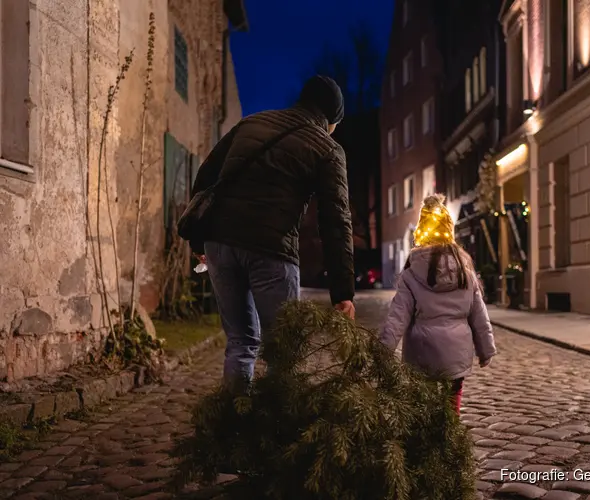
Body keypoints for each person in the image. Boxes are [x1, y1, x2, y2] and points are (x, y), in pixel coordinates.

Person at [189, 75, 356, 395]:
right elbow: (336, 220)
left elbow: (206, 178)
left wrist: (200, 242)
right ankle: (277, 432)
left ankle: (234, 423)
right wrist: (342, 292)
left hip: (220, 243)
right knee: (284, 351)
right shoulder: (328, 149)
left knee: (240, 341)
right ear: (332, 119)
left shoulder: (251, 123)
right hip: (271, 248)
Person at [379, 194, 496, 414]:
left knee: (422, 400)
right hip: (456, 354)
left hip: (422, 354)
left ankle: (426, 436)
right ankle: (450, 431)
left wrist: (383, 351)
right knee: (453, 398)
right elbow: (480, 318)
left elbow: (397, 318)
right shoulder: (466, 274)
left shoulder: (411, 275)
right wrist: (486, 350)